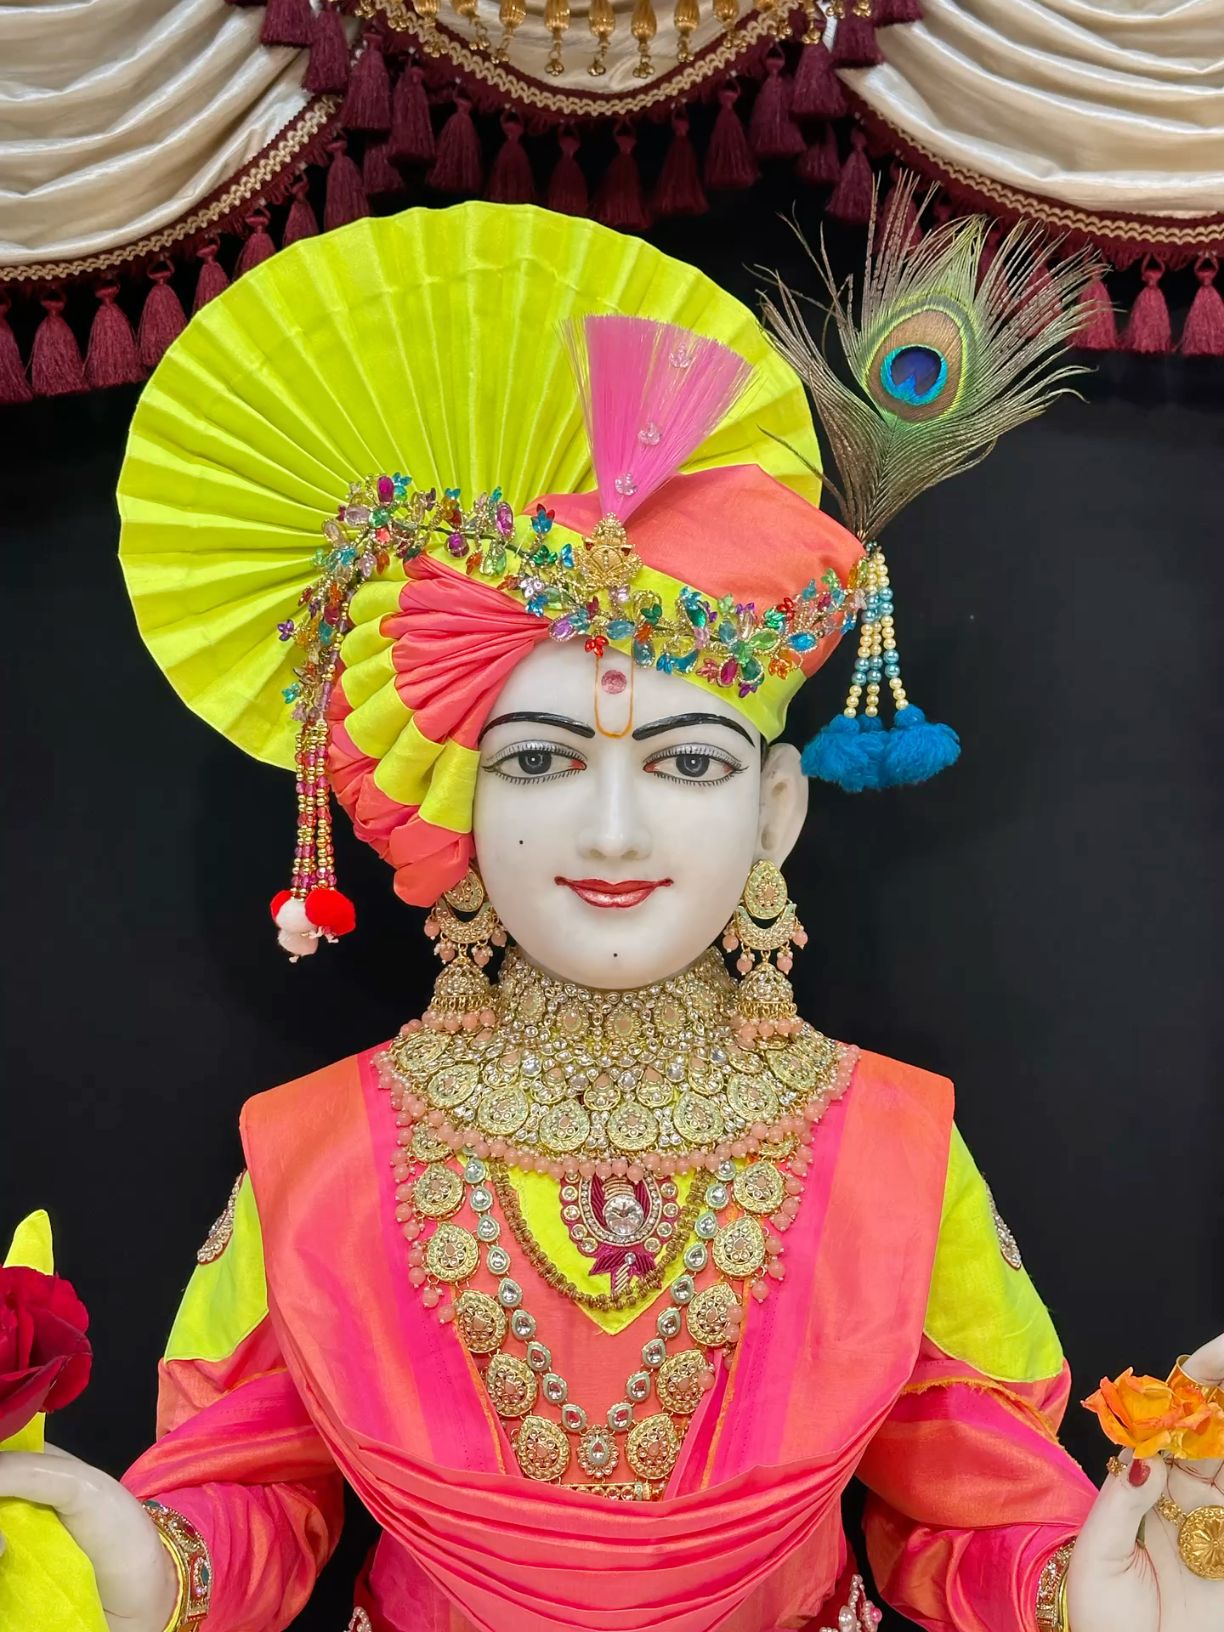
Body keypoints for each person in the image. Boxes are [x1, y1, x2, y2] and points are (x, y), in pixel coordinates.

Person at [1, 197, 1221, 1632]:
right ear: (458, 808)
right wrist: (141, 1565)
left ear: (776, 814)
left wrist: (1098, 1596)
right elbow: (247, 1487)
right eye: (540, 760)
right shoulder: (319, 1150)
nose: (614, 827)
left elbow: (975, 1511)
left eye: (687, 764)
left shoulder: (889, 1148)